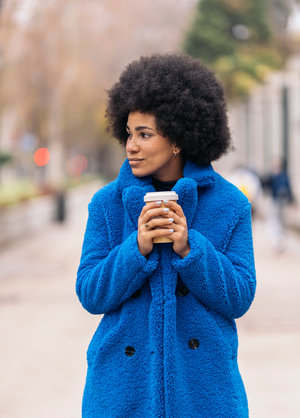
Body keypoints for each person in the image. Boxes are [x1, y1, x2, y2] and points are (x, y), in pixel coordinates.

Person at [76, 53, 256, 417]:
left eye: (145, 134)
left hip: (204, 392)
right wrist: (135, 249)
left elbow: (239, 297)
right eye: (129, 133)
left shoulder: (230, 204)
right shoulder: (107, 204)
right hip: (122, 389)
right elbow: (91, 294)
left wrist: (192, 249)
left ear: (178, 138)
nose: (131, 145)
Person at [264, 158, 294, 252]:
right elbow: (265, 184)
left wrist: (292, 202)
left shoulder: (284, 176)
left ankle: (281, 241)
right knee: (275, 220)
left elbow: (289, 189)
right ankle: (277, 241)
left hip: (283, 201)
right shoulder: (273, 175)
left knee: (281, 221)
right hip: (275, 200)